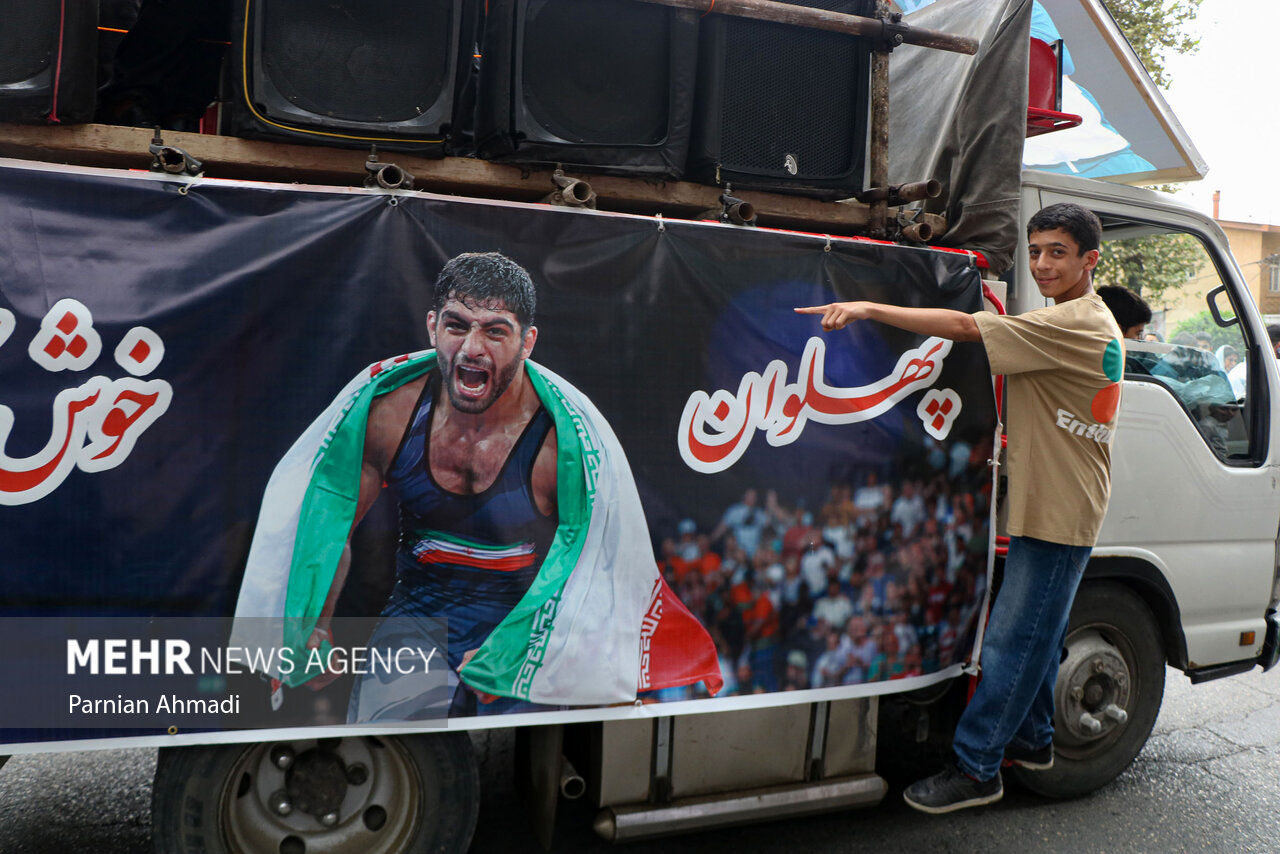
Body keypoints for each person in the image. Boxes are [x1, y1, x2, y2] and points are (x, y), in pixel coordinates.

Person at [237, 252, 722, 719]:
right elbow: (328, 519)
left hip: (528, 619)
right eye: (457, 325)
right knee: (390, 747)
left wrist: (516, 651)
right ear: (432, 327)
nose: (472, 348)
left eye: (495, 332)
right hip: (419, 612)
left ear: (527, 342)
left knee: (530, 772)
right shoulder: (390, 414)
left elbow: (595, 570)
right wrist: (315, 626)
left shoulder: (562, 445)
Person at [796, 202, 1123, 813]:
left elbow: (970, 328)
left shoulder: (1075, 322)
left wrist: (867, 307)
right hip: (1058, 500)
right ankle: (1034, 740)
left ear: (1089, 260)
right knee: (1043, 636)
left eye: (1057, 252)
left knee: (1012, 641)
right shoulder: (1078, 318)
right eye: (1035, 250)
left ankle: (978, 769)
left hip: (1057, 510)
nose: (1042, 263)